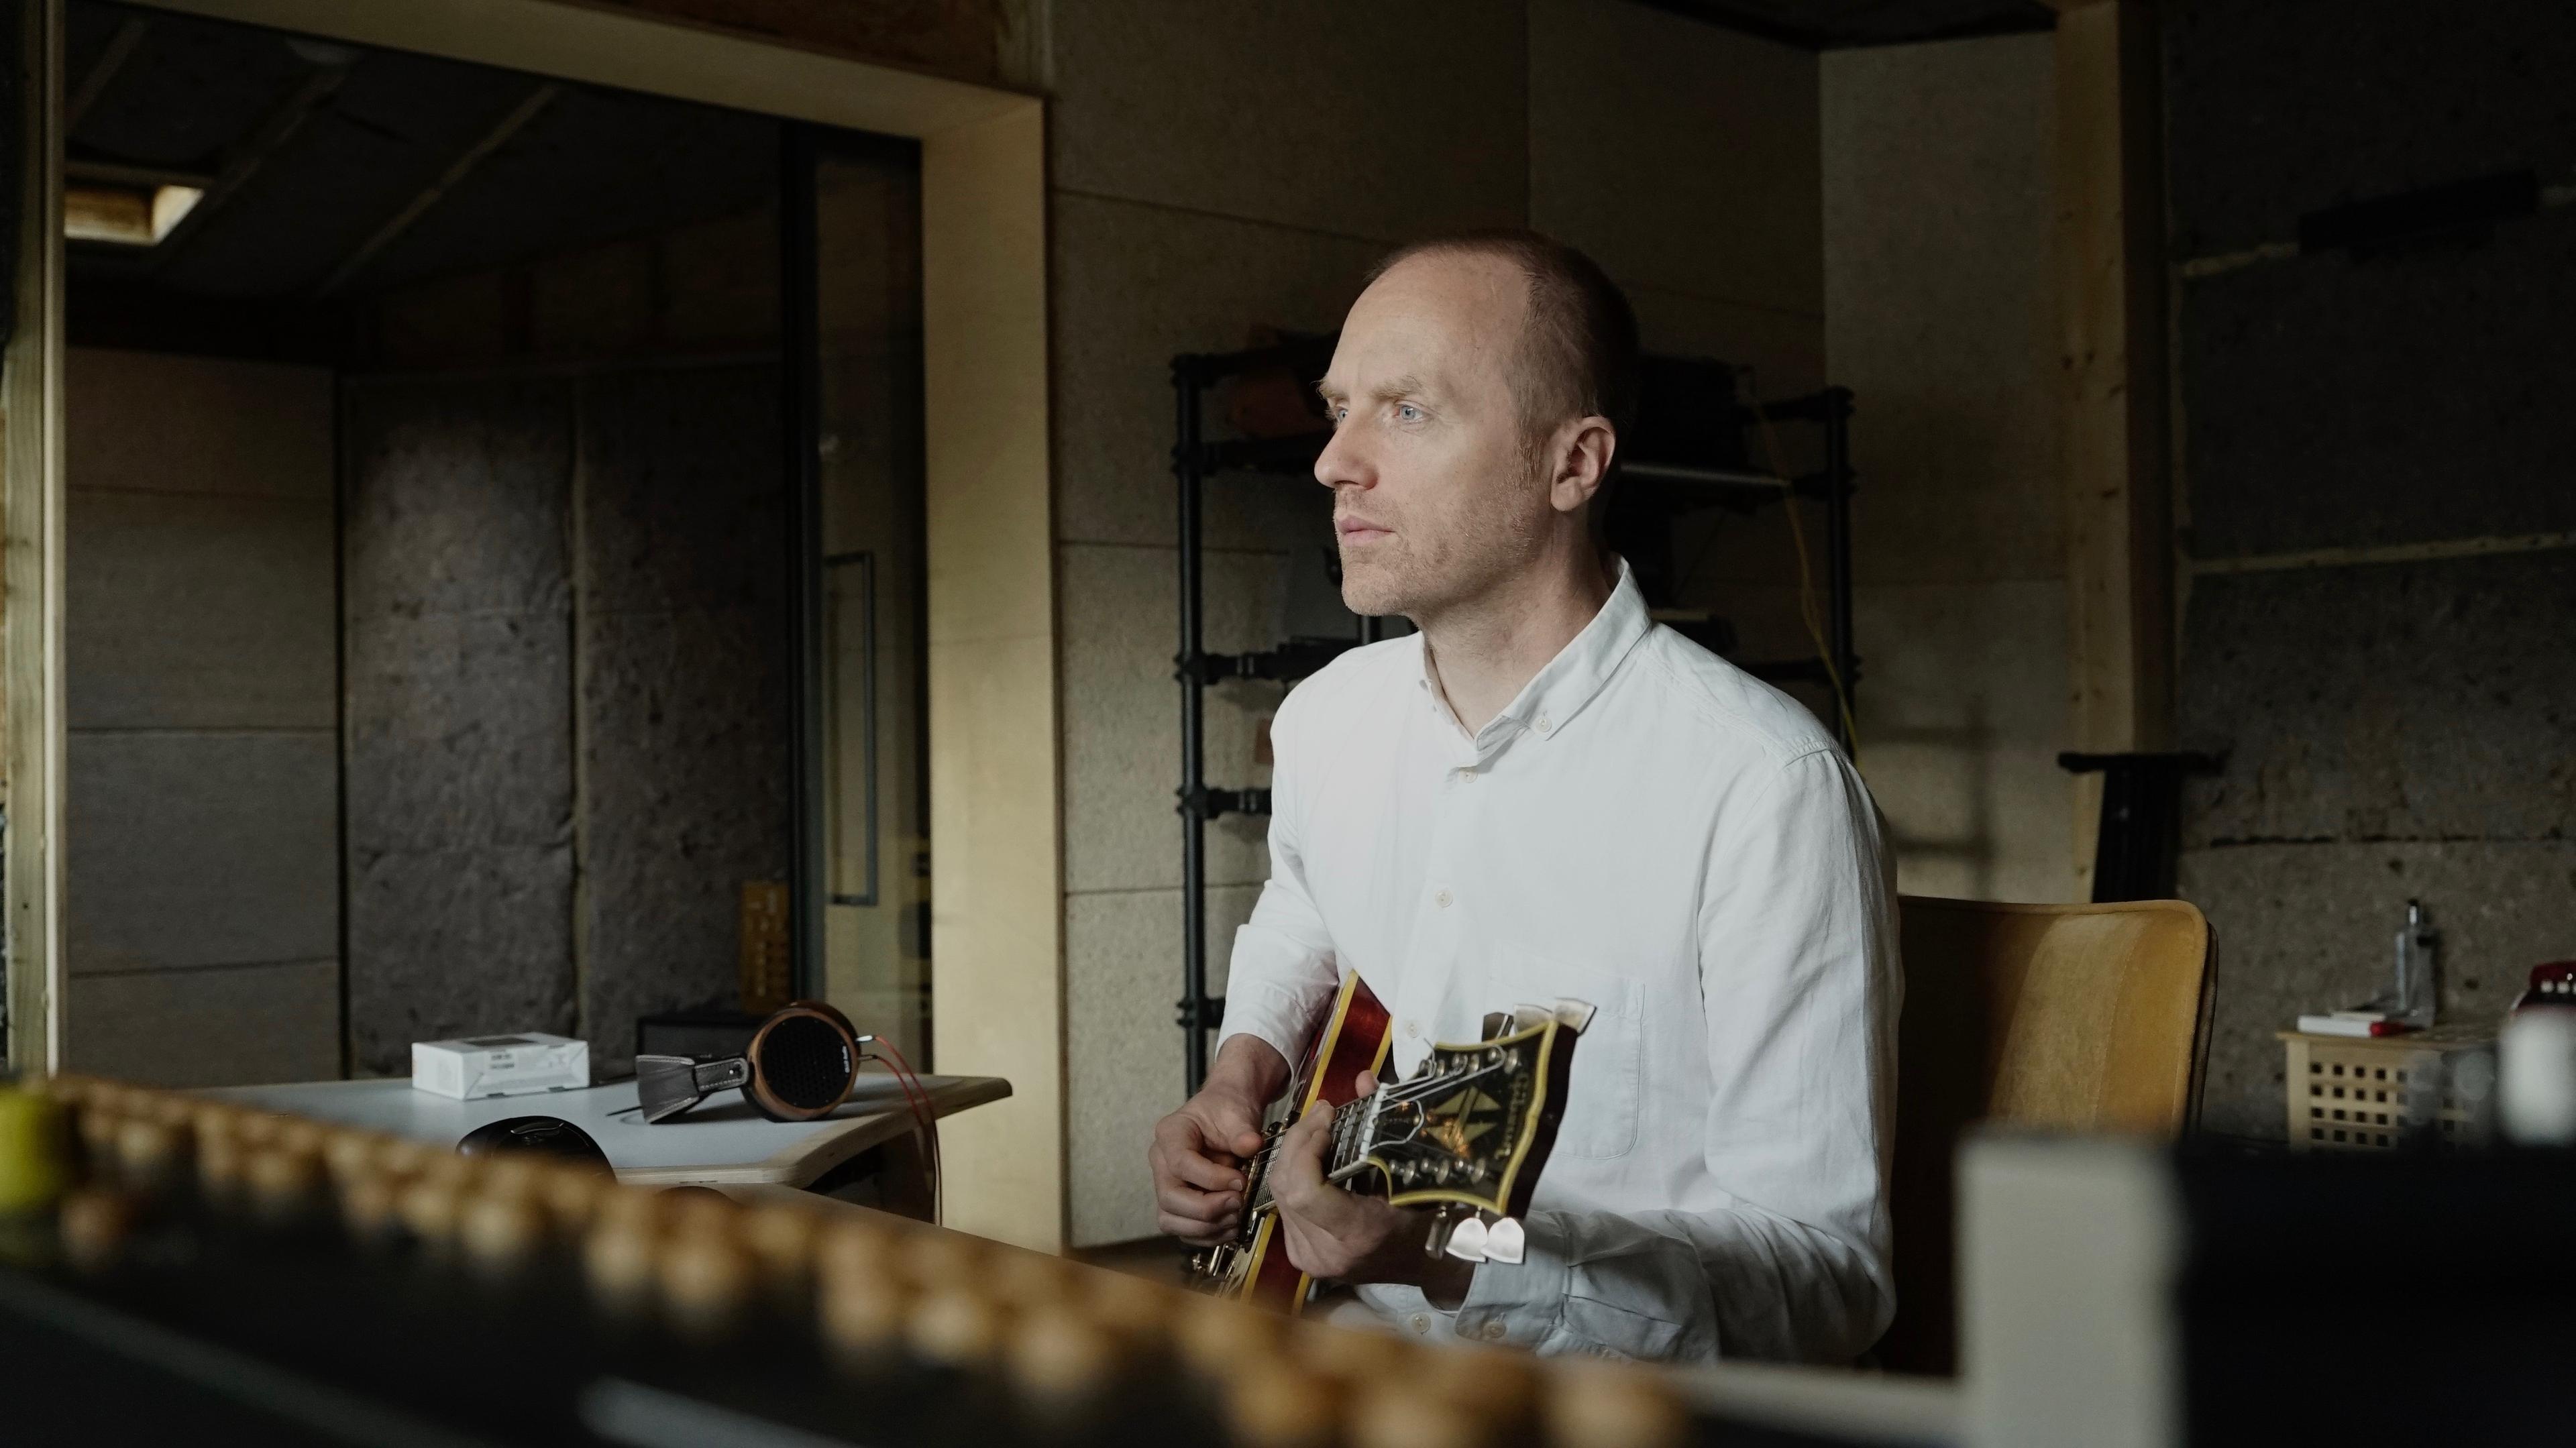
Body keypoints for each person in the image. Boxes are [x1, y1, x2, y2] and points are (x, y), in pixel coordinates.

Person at [1146, 229, 1899, 1364]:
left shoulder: (1766, 791)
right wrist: (1241, 1063)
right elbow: (1304, 908)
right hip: (1340, 1365)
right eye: (1338, 406)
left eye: (1405, 411)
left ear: (1573, 465)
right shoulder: (1327, 721)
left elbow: (1823, 1284)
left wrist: (1440, 1253)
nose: (1333, 462)